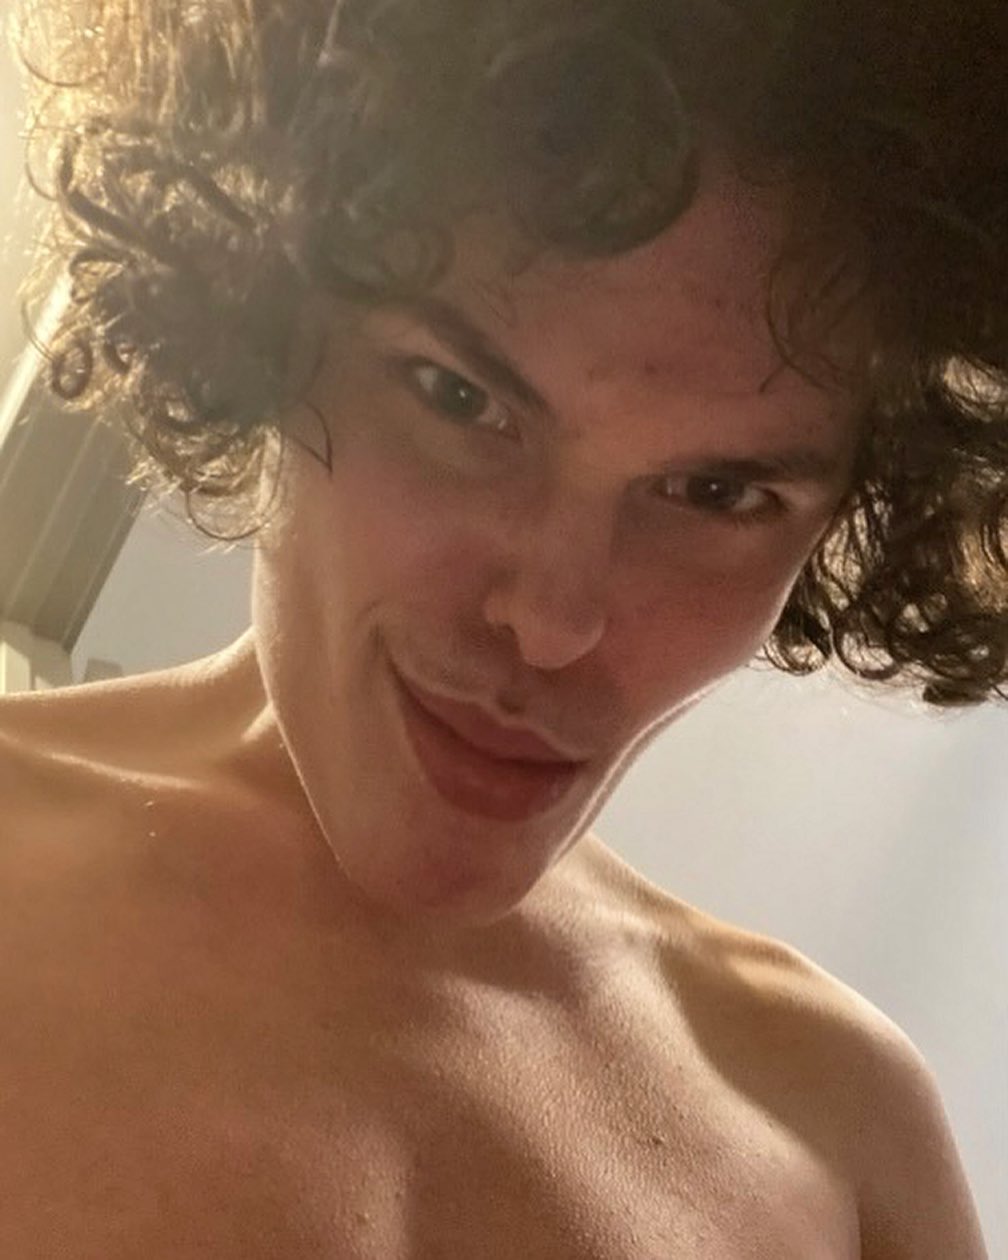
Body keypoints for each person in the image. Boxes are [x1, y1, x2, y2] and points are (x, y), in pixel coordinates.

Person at [0, 0, 1001, 1254]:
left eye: (715, 493)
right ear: (262, 300)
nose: (552, 621)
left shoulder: (843, 1125)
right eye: (460, 396)